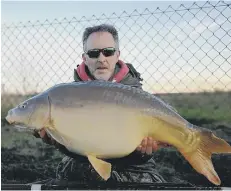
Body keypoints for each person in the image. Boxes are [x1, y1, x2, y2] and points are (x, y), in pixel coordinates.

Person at [33, 24, 168, 185]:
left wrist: (143, 153)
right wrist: (58, 140)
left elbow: (138, 153)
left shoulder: (136, 95)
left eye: (108, 52)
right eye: (93, 53)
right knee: (75, 173)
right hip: (84, 162)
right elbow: (78, 144)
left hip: (133, 166)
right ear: (85, 58)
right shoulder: (68, 96)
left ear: (117, 55)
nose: (101, 59)